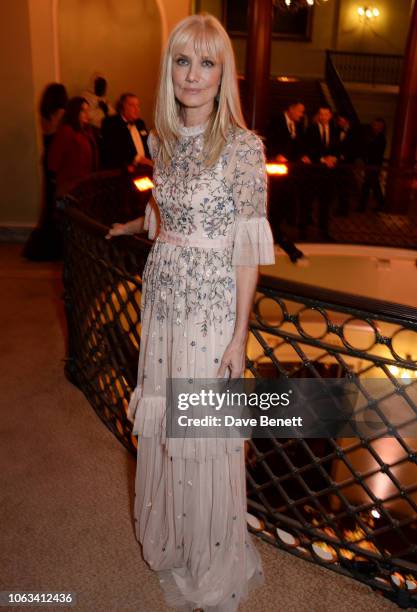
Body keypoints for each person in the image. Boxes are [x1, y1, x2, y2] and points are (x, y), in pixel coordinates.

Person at [105, 13, 275, 611]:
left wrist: (239, 336)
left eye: (207, 62)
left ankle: (210, 557)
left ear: (223, 72)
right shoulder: (163, 138)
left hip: (209, 309)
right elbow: (169, 212)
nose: (193, 74)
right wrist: (137, 222)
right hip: (164, 301)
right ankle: (175, 541)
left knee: (202, 430)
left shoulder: (243, 147)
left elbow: (248, 247)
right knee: (167, 428)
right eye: (182, 61)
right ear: (169, 69)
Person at [23, 83, 68, 261]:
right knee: (56, 203)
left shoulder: (44, 113)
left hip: (47, 158)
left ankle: (42, 247)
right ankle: (54, 248)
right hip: (56, 160)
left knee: (48, 204)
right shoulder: (61, 113)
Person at [300, 106, 340, 240]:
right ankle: (303, 231)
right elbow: (308, 148)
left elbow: (337, 148)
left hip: (328, 174)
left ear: (330, 116)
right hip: (314, 173)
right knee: (308, 202)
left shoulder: (335, 130)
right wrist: (322, 159)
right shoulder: (311, 129)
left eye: (326, 114)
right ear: (318, 115)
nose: (323, 117)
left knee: (325, 203)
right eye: (321, 114)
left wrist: (334, 157)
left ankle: (324, 232)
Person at [48, 97, 98, 198]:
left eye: (87, 110)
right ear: (75, 112)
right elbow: (53, 161)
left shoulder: (88, 131)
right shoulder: (66, 131)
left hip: (86, 183)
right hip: (70, 186)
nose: (87, 114)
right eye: (83, 111)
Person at [101, 93, 152, 172]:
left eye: (138, 105)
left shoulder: (140, 123)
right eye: (132, 105)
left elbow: (147, 144)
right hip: (123, 170)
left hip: (143, 169)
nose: (137, 109)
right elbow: (114, 149)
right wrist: (137, 159)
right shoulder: (111, 123)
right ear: (122, 108)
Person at [334, 113, 360, 217]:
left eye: (342, 120)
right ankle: (341, 208)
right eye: (339, 121)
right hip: (339, 163)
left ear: (347, 121)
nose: (340, 122)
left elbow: (355, 147)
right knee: (340, 186)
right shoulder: (337, 130)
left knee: (345, 187)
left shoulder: (354, 132)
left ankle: (344, 209)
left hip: (348, 163)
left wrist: (345, 155)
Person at [358, 118, 387, 212]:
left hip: (374, 165)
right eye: (374, 125)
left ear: (381, 127)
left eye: (377, 125)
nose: (375, 127)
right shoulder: (374, 136)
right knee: (372, 185)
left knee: (370, 185)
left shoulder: (380, 138)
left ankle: (364, 206)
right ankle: (379, 204)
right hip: (371, 164)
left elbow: (375, 152)